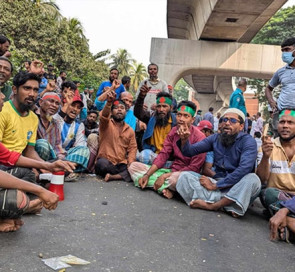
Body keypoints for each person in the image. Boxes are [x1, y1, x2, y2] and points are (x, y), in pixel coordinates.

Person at [176, 108, 261, 217]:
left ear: (241, 126)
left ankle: (213, 205)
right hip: (219, 184)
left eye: (232, 121)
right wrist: (184, 140)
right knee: (184, 176)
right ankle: (229, 204)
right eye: (224, 120)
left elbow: (244, 169)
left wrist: (216, 186)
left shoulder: (248, 141)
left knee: (253, 179)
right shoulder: (215, 138)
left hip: (237, 185)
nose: (227, 123)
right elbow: (189, 151)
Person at [128, 101, 206, 199]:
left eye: (186, 116)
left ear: (193, 120)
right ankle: (163, 188)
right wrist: (147, 175)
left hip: (187, 175)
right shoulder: (174, 131)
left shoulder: (200, 138)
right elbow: (163, 154)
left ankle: (163, 186)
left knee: (174, 180)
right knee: (133, 167)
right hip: (172, 169)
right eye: (179, 115)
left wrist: (165, 176)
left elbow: (194, 168)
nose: (181, 119)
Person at [256, 109, 295, 242]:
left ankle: (288, 222)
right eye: (282, 122)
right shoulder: (268, 146)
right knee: (267, 193)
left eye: (290, 122)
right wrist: (265, 158)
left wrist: (285, 210)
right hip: (277, 195)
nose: (285, 125)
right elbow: (262, 179)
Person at [95, 85, 137, 182]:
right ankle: (120, 176)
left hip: (120, 163)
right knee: (101, 164)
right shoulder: (105, 124)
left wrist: (130, 163)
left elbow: (132, 148)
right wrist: (109, 103)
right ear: (112, 111)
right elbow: (104, 115)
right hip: (106, 161)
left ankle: (113, 177)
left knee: (133, 167)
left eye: (122, 108)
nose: (119, 109)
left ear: (125, 112)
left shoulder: (129, 130)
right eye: (116, 108)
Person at [134, 87, 177, 165]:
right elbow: (138, 112)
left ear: (171, 108)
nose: (161, 109)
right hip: (152, 156)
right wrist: (141, 96)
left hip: (168, 159)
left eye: (164, 106)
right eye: (159, 106)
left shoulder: (176, 122)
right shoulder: (151, 117)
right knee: (138, 160)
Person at [54, 95, 90, 181]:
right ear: (66, 105)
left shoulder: (79, 125)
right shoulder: (56, 117)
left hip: (66, 155)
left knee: (84, 150)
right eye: (72, 105)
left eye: (78, 108)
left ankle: (62, 169)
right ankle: (66, 170)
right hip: (52, 152)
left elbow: (79, 145)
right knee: (42, 144)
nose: (75, 109)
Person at [265, 37, 295, 136]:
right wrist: (272, 103)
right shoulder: (280, 72)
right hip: (282, 112)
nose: (284, 54)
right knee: (278, 140)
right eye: (282, 51)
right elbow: (268, 88)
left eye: (287, 50)